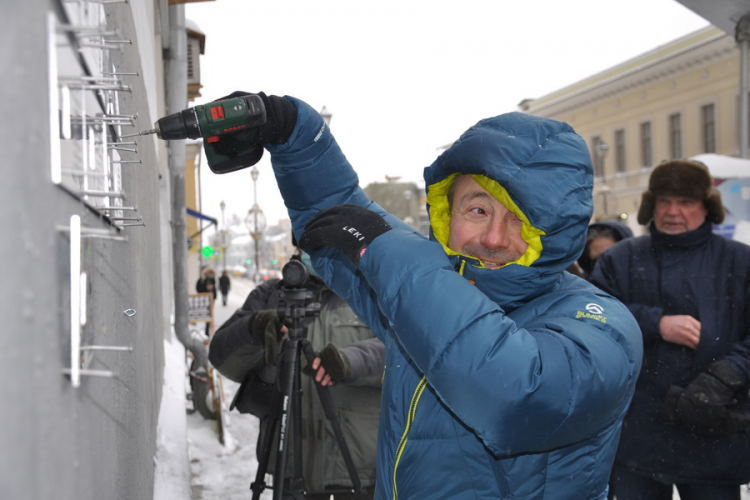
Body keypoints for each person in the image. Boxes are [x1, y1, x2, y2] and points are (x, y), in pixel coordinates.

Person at [213, 91, 643, 499]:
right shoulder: (427, 291)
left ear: (559, 233)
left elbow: (515, 396)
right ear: (445, 212)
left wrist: (386, 251)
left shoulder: (603, 324)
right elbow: (337, 209)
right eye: (478, 209)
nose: (493, 237)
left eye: (522, 220)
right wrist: (292, 133)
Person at [590, 159, 750, 500]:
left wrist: (726, 375)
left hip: (713, 431)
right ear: (652, 206)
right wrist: (654, 322)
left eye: (686, 202)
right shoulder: (619, 259)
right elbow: (594, 320)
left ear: (707, 207)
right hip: (638, 437)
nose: (673, 211)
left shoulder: (740, 261)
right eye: (665, 201)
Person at [208, 246, 383, 500]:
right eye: (309, 239)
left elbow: (407, 353)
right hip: (288, 464)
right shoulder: (271, 294)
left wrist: (352, 361)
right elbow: (220, 356)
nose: (318, 248)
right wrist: (254, 328)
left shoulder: (371, 291)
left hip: (361, 465)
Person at [196, 266, 217, 336]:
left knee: (210, 315)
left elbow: (214, 290)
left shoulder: (212, 279)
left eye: (209, 272)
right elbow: (198, 288)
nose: (208, 274)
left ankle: (208, 331)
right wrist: (205, 288)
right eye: (207, 272)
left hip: (211, 299)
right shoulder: (202, 280)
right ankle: (206, 331)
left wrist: (214, 296)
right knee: (206, 315)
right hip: (204, 299)